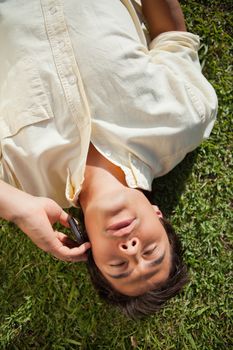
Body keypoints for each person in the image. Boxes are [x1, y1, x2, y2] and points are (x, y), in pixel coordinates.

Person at [0, 0, 217, 318]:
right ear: (159, 217)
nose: (131, 249)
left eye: (119, 265)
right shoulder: (184, 121)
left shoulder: (20, 182)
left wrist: (16, 209)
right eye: (151, 251)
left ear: (89, 250)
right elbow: (172, 36)